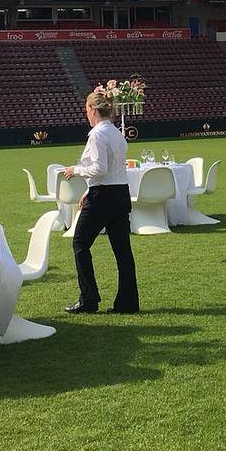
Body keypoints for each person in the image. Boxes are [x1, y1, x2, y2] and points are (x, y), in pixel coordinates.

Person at [62, 92, 139, 314]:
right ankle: (128, 302)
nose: (86, 113)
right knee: (123, 250)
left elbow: (100, 168)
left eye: (86, 109)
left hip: (103, 197)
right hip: (119, 193)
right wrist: (89, 189)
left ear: (93, 110)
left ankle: (89, 299)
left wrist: (75, 170)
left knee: (80, 243)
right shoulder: (116, 133)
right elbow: (113, 169)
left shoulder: (96, 135)